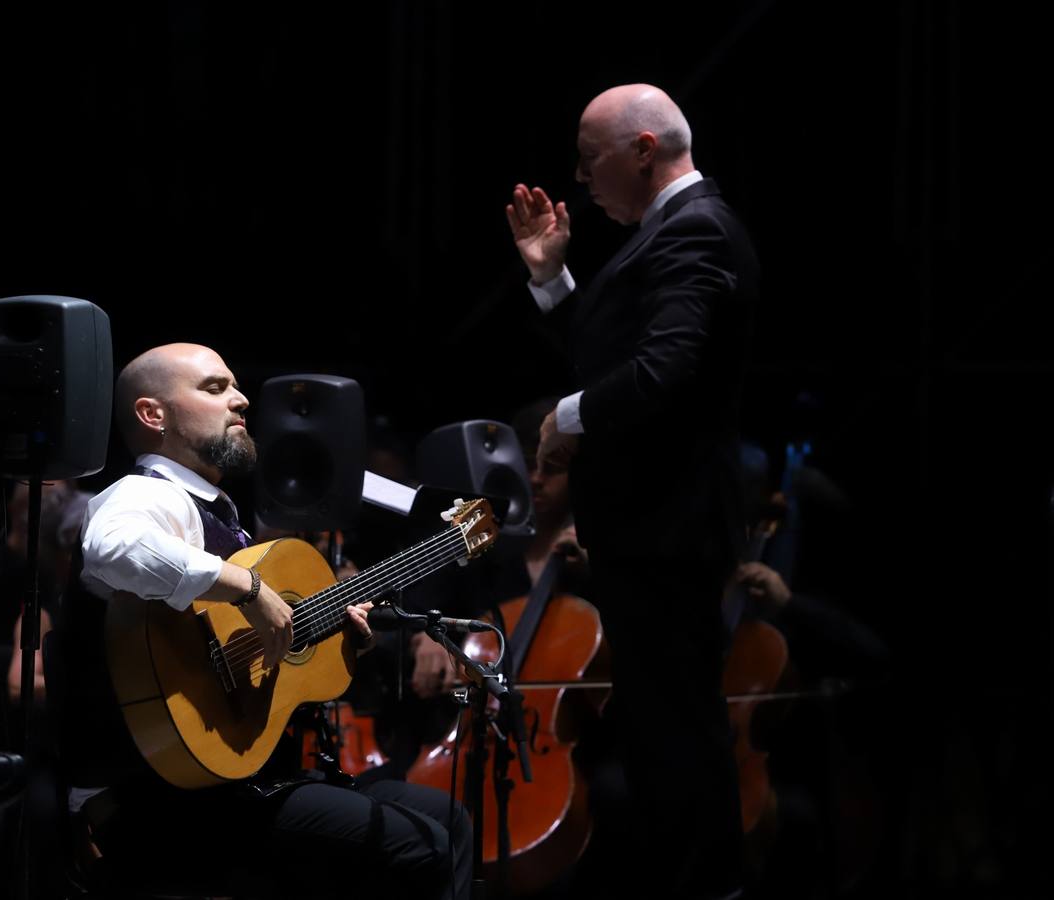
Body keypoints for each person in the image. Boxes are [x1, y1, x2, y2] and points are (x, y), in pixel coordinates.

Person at [56, 343, 472, 900]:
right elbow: (115, 547)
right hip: (156, 799)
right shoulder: (144, 494)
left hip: (233, 783)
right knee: (419, 843)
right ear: (153, 415)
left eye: (234, 386)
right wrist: (249, 589)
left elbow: (267, 656)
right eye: (214, 388)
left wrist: (339, 641)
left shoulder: (222, 521)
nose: (241, 399)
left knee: (446, 815)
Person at [506, 83, 760, 899]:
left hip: (668, 532)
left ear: (642, 151)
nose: (581, 179)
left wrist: (563, 419)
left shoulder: (696, 234)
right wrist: (551, 280)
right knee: (660, 735)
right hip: (648, 532)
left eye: (590, 160)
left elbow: (663, 374)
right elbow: (615, 354)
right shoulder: (670, 234)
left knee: (678, 735)